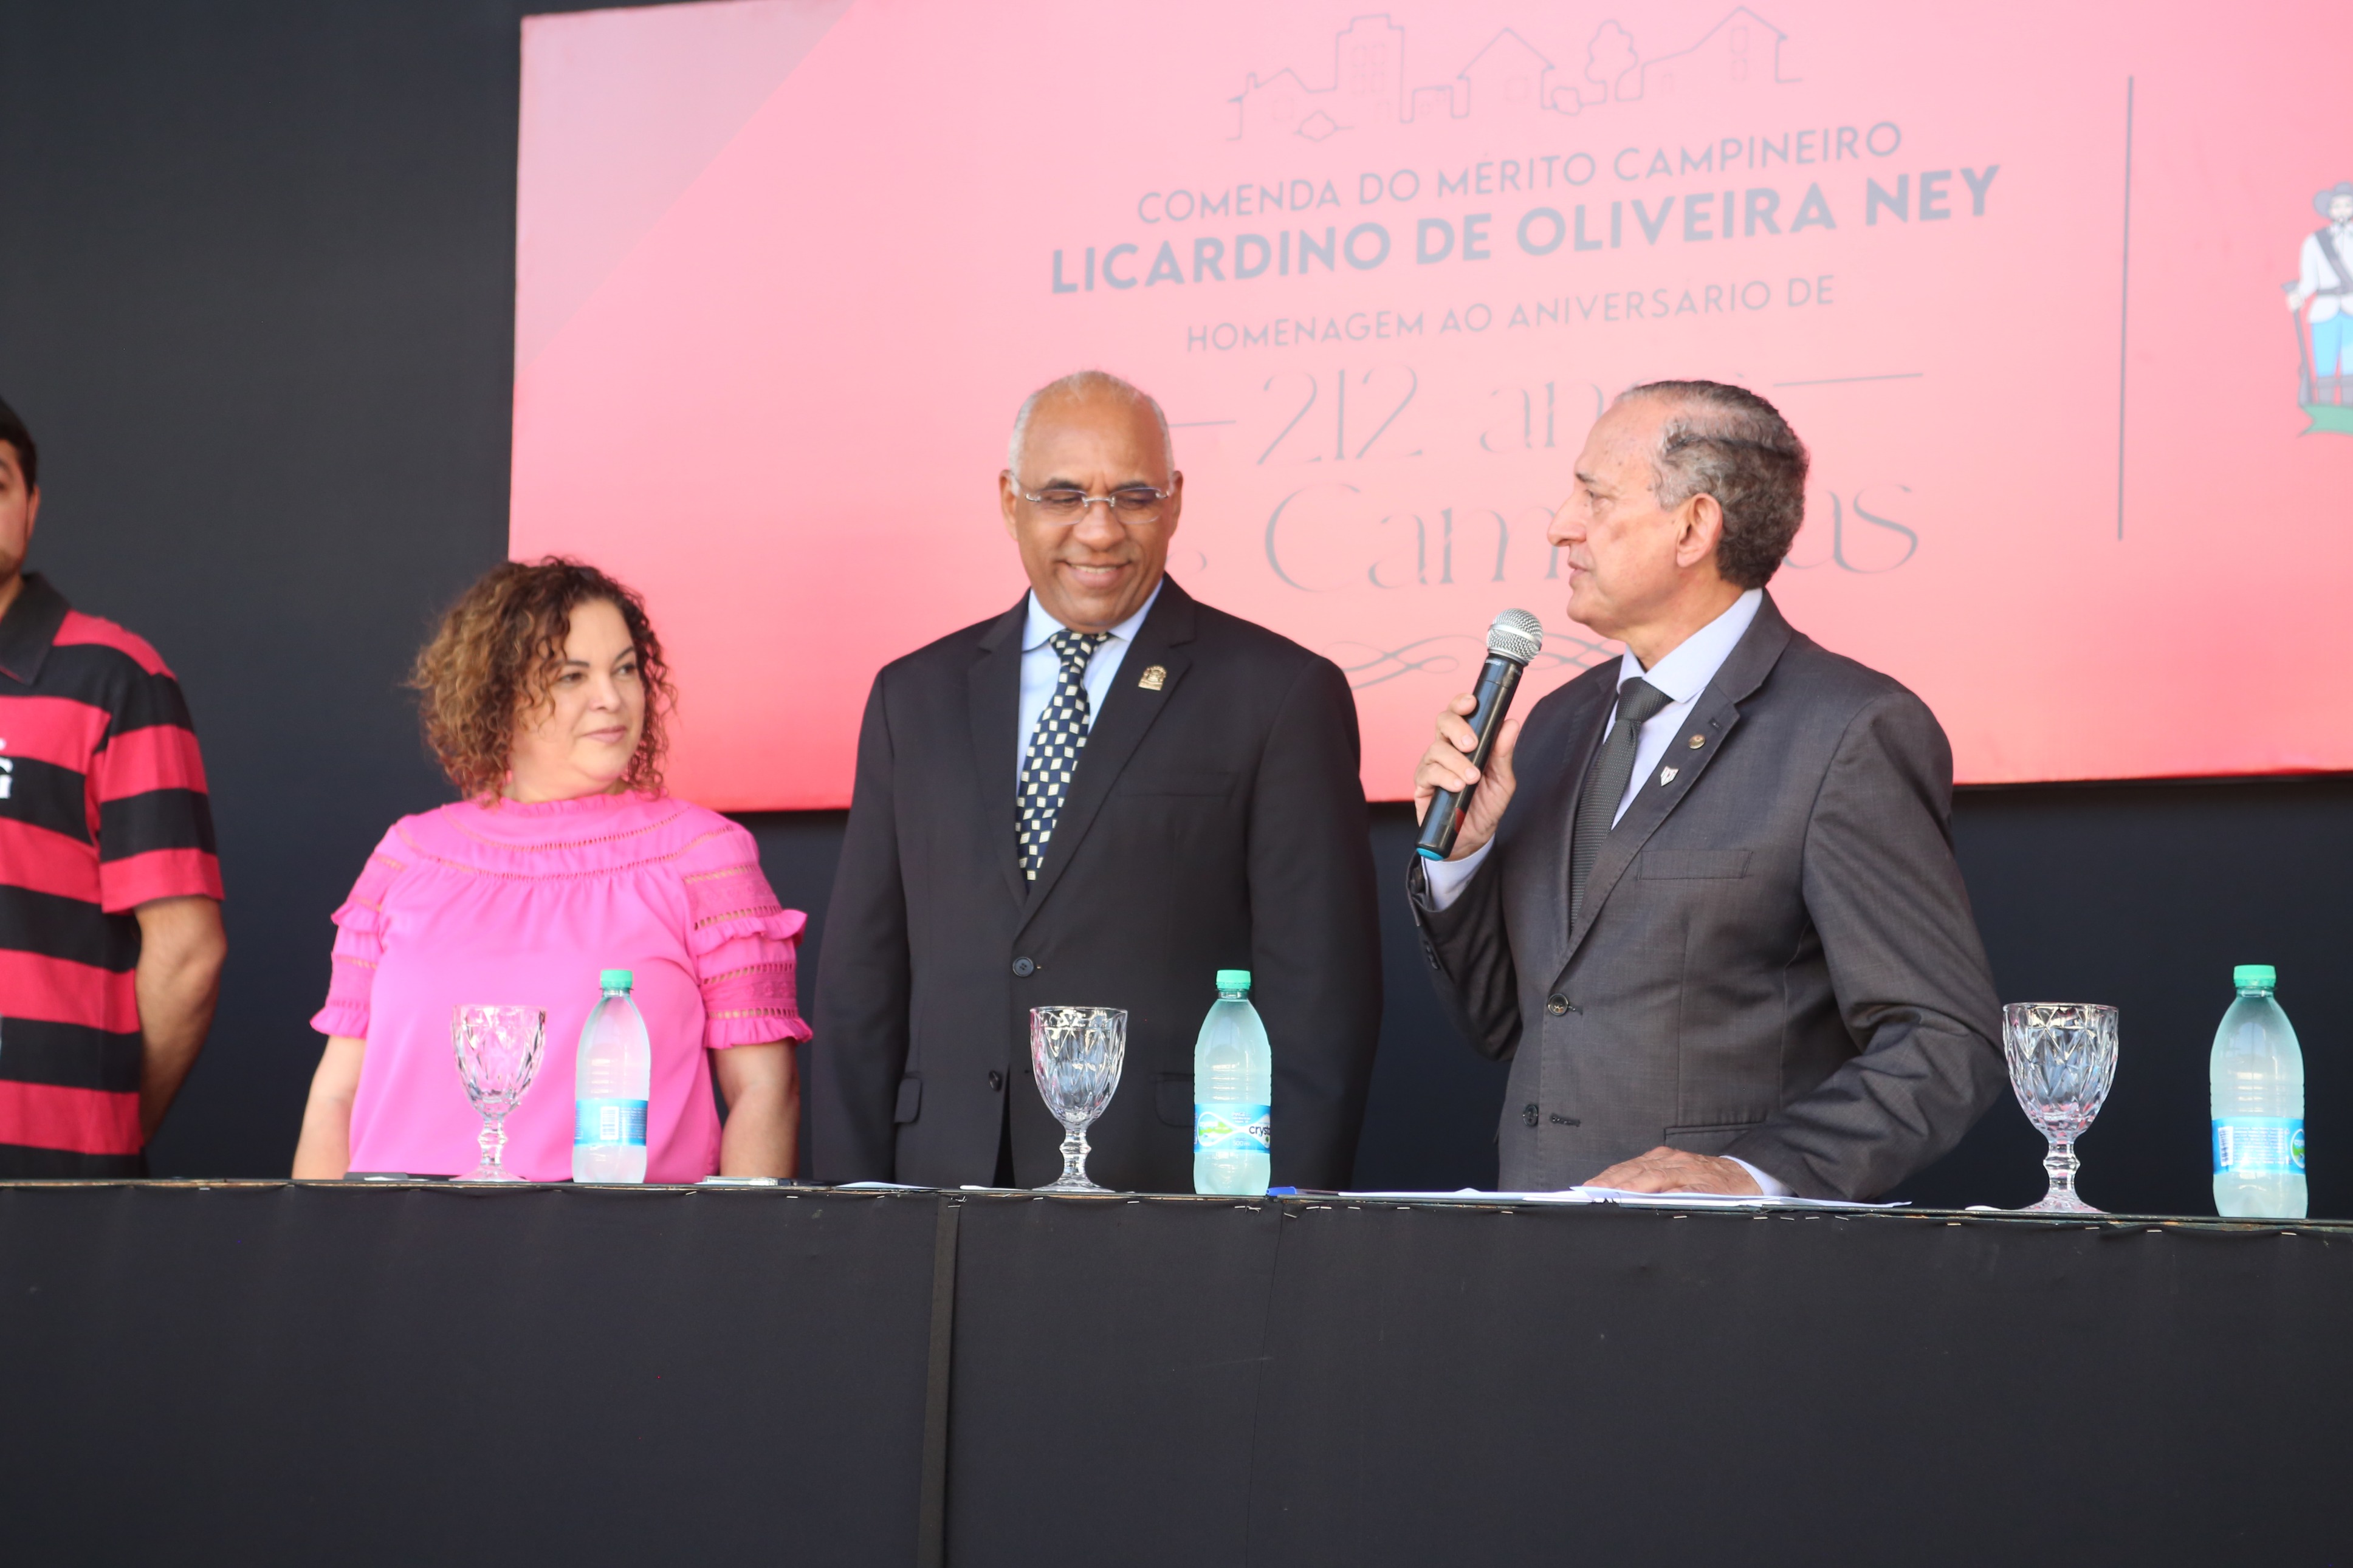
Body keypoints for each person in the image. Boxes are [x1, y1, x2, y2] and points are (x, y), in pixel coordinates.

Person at [1410, 380, 2004, 1200]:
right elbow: (1507, 1024)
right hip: (1533, 1244)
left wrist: (1752, 1173)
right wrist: (1462, 862)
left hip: (1731, 1263)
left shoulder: (1848, 729)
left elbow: (1943, 1040)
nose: (1560, 526)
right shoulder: (1551, 723)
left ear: (1693, 527)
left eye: (1594, 496)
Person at [811, 370, 1380, 1192]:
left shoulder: (1279, 694)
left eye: (1134, 497)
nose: (1100, 529)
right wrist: (849, 1210)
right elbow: (861, 984)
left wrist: (1283, 1224)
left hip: (1178, 1198)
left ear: (1175, 503)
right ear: (1009, 501)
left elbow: (1320, 997)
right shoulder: (915, 697)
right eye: (1063, 495)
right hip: (939, 1191)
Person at [292, 558, 809, 1181]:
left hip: (620, 1233)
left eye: (625, 669)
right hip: (393, 1230)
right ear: (498, 695)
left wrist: (742, 1239)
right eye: (571, 676)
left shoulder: (704, 855)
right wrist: (313, 1238)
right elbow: (335, 1096)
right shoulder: (407, 853)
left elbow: (764, 1090)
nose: (611, 698)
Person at [0, 394, 227, 1176]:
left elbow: (187, 952)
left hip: (44, 1181)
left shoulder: (114, 678)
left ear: (31, 507)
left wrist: (103, 1133)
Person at [2286, 180, 2353, 394]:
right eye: (2337, 206)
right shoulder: (2314, 242)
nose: (2342, 210)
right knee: (2324, 365)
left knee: (2351, 367)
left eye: (2348, 205)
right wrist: (2298, 295)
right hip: (2324, 309)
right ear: (2329, 210)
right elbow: (2310, 281)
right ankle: (2324, 406)